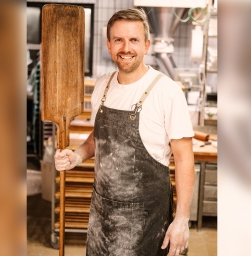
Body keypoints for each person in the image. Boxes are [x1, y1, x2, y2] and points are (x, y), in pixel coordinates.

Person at [54, 8, 195, 256]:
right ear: (109, 45)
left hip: (146, 222)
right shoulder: (103, 85)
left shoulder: (167, 92)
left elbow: (184, 159)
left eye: (133, 40)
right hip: (102, 218)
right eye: (118, 39)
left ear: (146, 45)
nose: (126, 48)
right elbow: (98, 138)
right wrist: (75, 156)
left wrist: (182, 219)